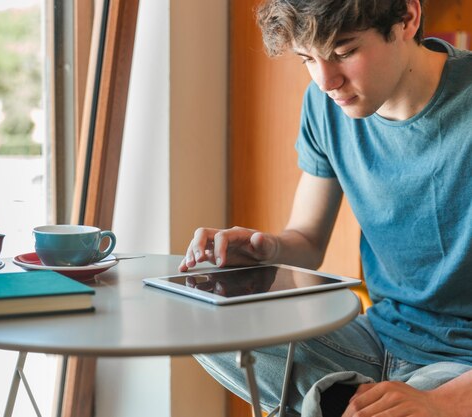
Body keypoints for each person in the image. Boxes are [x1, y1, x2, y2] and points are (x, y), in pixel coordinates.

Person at [179, 0, 472, 416]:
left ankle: (338, 401)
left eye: (344, 52)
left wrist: (440, 402)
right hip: (376, 339)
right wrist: (267, 250)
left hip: (461, 366)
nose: (326, 80)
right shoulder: (325, 106)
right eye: (307, 59)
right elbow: (307, 241)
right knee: (196, 316)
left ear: (407, 18)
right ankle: (344, 400)